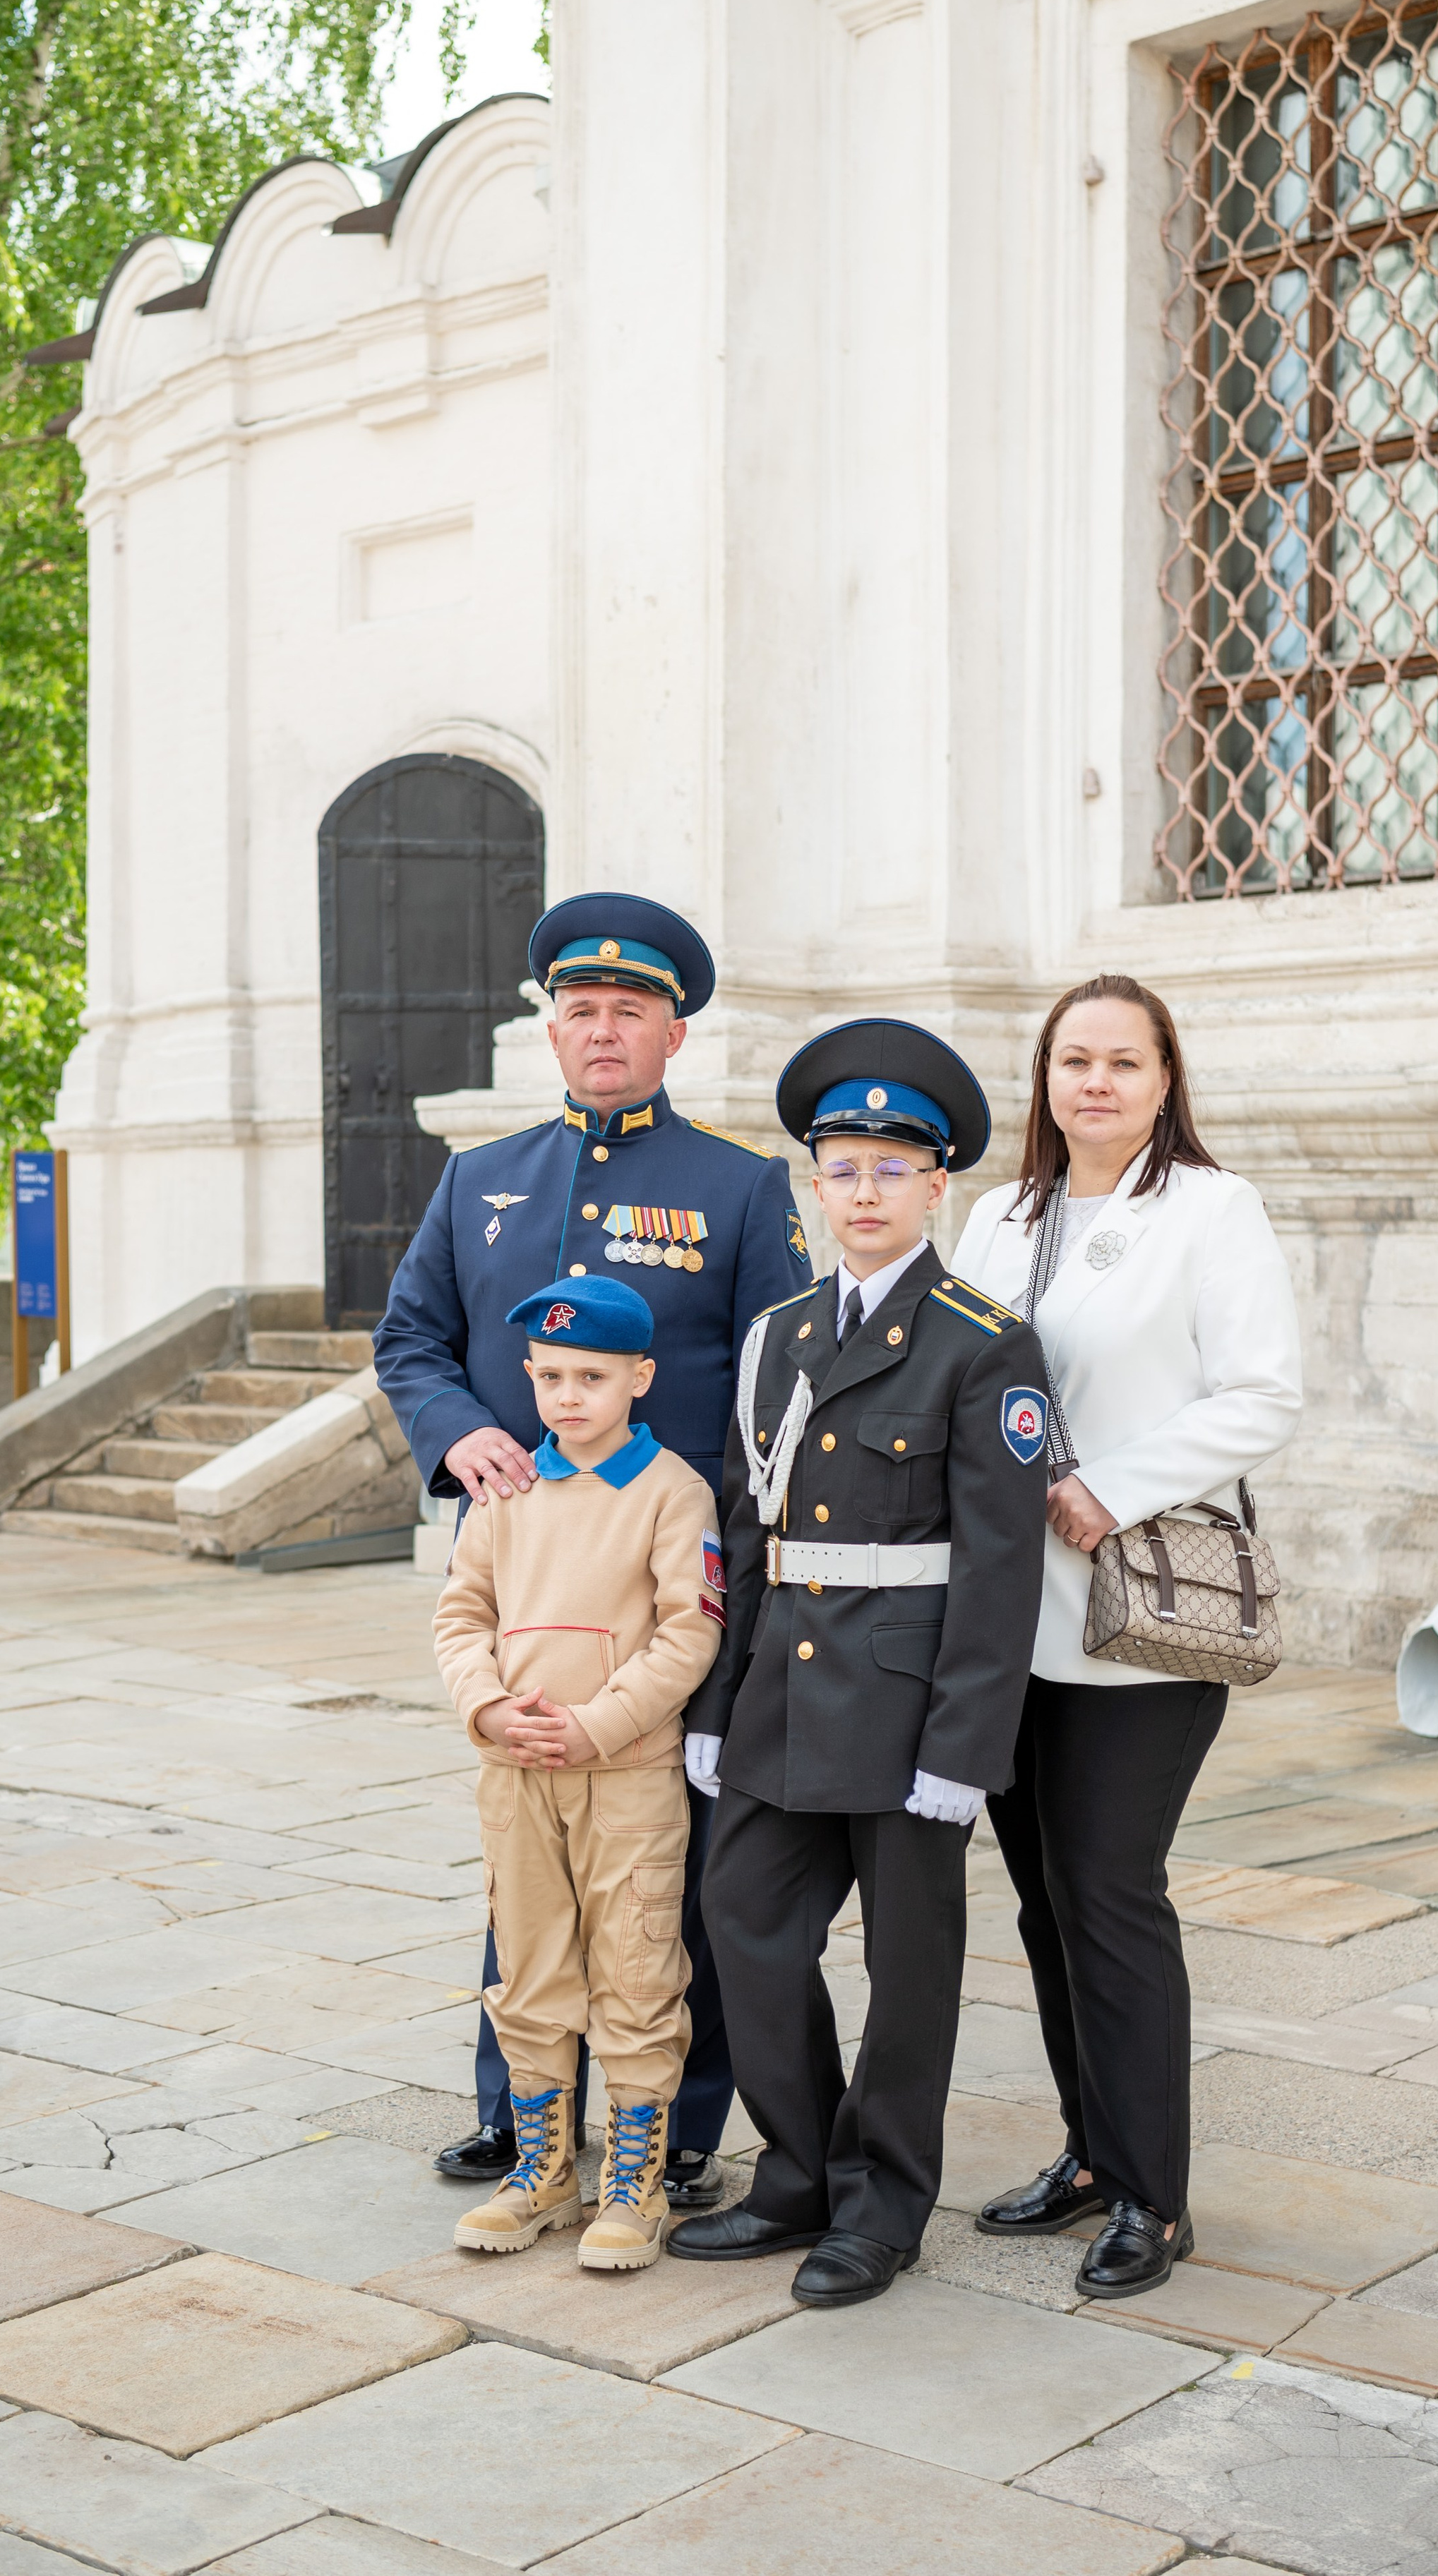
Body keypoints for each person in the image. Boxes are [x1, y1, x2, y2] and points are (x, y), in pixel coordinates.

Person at [373, 891, 811, 2196]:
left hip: (667, 1584)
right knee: (528, 1851)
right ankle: (522, 2108)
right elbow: (411, 1342)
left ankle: (672, 2125)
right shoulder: (480, 1180)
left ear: (674, 1035)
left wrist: (732, 1567)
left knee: (666, 1861)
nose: (603, 1031)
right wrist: (459, 1435)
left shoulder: (738, 1190)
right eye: (582, 1012)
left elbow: (775, 1382)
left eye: (631, 1012)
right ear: (551, 1030)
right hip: (524, 1581)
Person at [669, 1021, 1050, 2309]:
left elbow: (1003, 1570)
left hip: (904, 1710)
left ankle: (882, 2205)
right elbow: (745, 1532)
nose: (867, 1189)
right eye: (844, 1166)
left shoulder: (981, 1341)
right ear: (814, 1184)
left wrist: (966, 1750)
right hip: (778, 1690)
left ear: (939, 1184)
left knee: (910, 1970)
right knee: (747, 1927)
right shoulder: (778, 1335)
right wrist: (717, 1703)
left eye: (894, 1166)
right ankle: (797, 2176)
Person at [952, 973, 1302, 2300]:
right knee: (1043, 1903)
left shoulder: (1210, 1210)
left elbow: (1264, 1392)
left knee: (1110, 1892)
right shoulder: (1000, 1215)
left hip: (1135, 1620)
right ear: (1044, 1080)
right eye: (1073, 1061)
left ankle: (1154, 2195)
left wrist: (1114, 1486)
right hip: (1004, 1620)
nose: (1095, 1083)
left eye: (1124, 1063)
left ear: (1166, 1081)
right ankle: (1090, 2155)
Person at [434, 1275, 721, 2270]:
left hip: (626, 1777)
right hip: (515, 1774)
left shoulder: (673, 1494)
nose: (568, 1397)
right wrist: (487, 1705)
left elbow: (690, 1634)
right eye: (551, 1376)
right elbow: (461, 1615)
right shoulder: (504, 1496)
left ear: (639, 1377)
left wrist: (597, 1725)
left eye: (592, 1377)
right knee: (530, 1968)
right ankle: (543, 2170)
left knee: (638, 1969)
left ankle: (634, 2181)